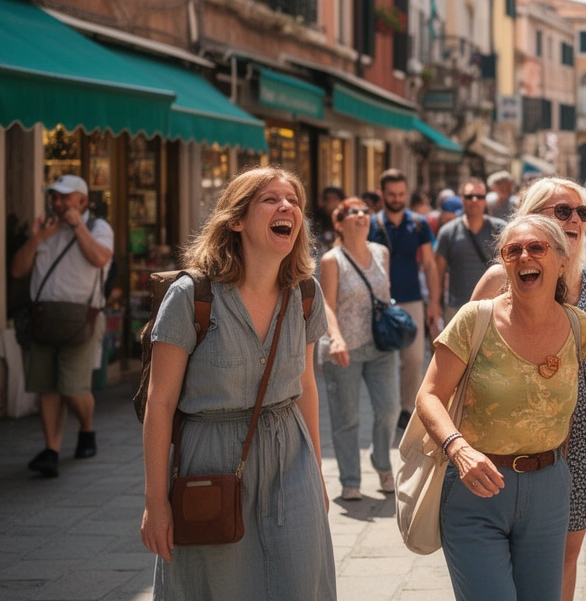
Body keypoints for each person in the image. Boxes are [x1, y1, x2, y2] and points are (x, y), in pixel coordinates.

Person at [140, 167, 334, 600]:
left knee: (301, 585)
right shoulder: (192, 296)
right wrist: (156, 502)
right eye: (271, 199)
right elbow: (160, 402)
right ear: (237, 220)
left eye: (294, 201)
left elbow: (307, 386)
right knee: (221, 588)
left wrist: (317, 474)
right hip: (210, 462)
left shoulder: (305, 294)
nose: (287, 207)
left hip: (292, 459)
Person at [417, 214, 586, 601]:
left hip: (549, 491)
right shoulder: (474, 319)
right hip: (476, 489)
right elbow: (428, 395)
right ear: (504, 263)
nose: (524, 257)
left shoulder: (580, 328)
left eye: (537, 247)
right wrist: (457, 449)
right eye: (513, 251)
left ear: (562, 261)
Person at [471, 177, 586, 601]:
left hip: (579, 435)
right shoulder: (499, 278)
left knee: (564, 557)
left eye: (582, 212)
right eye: (563, 211)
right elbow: (463, 357)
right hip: (505, 438)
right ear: (532, 217)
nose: (575, 220)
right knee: (507, 558)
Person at [9, 174, 114, 478]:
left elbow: (100, 258)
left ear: (82, 201)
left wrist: (77, 226)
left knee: (72, 389)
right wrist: (36, 238)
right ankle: (51, 451)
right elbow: (17, 270)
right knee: (47, 389)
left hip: (82, 320)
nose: (58, 203)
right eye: (54, 197)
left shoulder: (98, 227)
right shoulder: (45, 228)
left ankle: (86, 429)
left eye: (65, 197)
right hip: (43, 318)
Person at [319, 197, 399, 501]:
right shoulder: (332, 260)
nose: (362, 215)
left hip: (380, 344)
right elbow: (327, 304)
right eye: (353, 212)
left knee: (389, 409)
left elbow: (384, 296)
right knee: (347, 418)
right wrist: (335, 338)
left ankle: (382, 461)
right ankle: (350, 480)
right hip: (344, 349)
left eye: (366, 211)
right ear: (339, 223)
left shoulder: (381, 253)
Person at [367, 169, 442, 432]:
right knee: (383, 360)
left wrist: (434, 302)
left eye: (401, 194)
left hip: (412, 299)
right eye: (392, 194)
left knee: (414, 359)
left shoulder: (419, 224)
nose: (397, 199)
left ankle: (406, 409)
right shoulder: (370, 224)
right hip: (379, 303)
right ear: (381, 194)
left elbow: (430, 265)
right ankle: (385, 410)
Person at [436, 179, 506, 323]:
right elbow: (438, 274)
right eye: (469, 196)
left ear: (485, 200)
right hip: (457, 309)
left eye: (479, 196)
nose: (474, 200)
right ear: (461, 199)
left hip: (493, 309)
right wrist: (435, 304)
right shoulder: (447, 232)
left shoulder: (500, 230)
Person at [315, 186, 346, 253]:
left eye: (334, 199)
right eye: (327, 199)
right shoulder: (317, 220)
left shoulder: (347, 220)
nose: (330, 202)